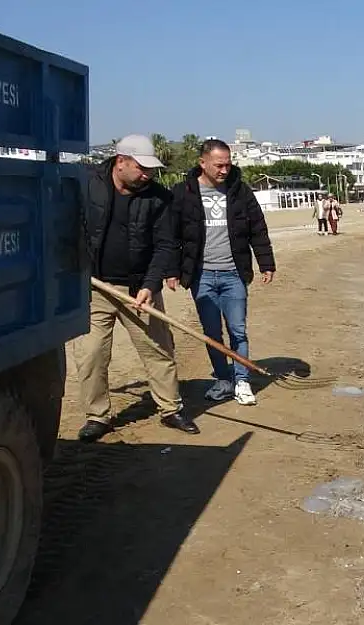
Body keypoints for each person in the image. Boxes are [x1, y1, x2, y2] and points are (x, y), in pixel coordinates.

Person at [75, 134, 197, 441]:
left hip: (139, 288)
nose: (147, 175)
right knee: (91, 355)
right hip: (94, 287)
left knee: (158, 349)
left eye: (150, 170)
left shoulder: (159, 197)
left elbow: (164, 246)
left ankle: (170, 409)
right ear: (120, 162)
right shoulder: (87, 185)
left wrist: (149, 285)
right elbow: (70, 228)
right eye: (141, 168)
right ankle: (97, 416)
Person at [169, 139, 276, 406]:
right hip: (201, 275)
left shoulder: (240, 192)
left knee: (238, 331)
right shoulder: (183, 193)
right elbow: (171, 235)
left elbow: (257, 229)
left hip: (233, 274)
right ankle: (223, 380)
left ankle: (241, 381)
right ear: (202, 163)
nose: (224, 170)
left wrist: (266, 262)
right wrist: (172, 271)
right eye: (219, 165)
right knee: (212, 332)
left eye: (228, 165)